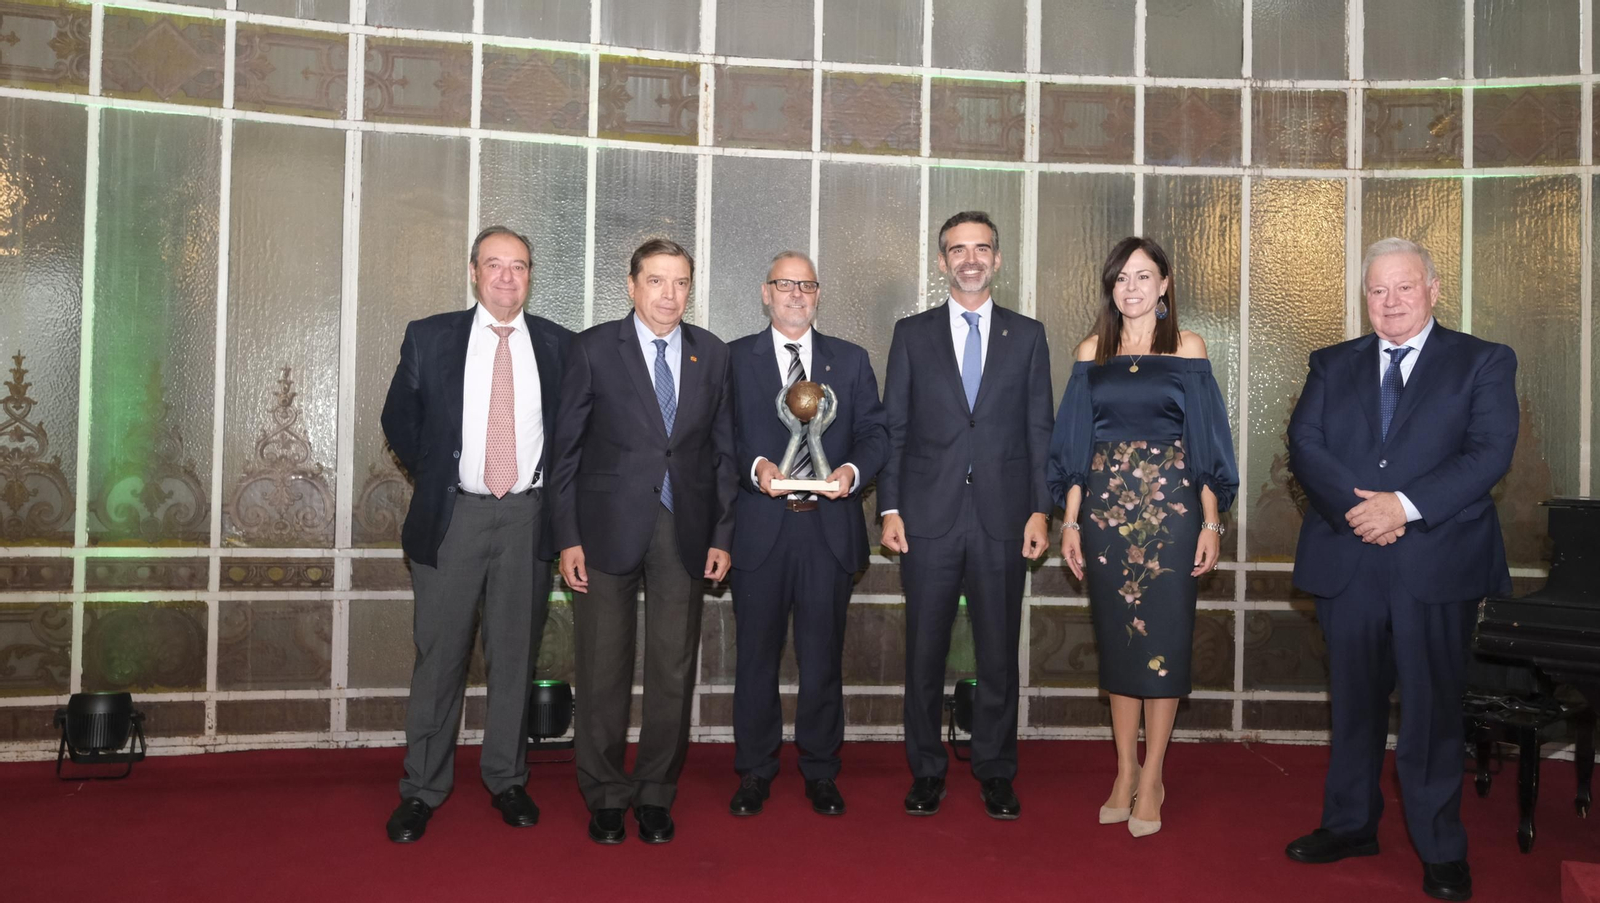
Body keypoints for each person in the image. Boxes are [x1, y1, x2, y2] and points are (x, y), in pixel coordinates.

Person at [1284, 238, 1517, 902]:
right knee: (1353, 704)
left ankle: (1441, 847)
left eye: (1404, 287)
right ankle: (1350, 824)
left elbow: (1489, 450)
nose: (1390, 302)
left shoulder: (1483, 360)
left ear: (1433, 290)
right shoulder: (1331, 363)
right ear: (1365, 297)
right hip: (1348, 556)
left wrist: (1404, 507)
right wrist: (1363, 512)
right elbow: (1305, 444)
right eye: (1377, 290)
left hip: (1437, 562)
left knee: (1432, 710)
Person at [379, 225, 573, 843]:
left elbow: (574, 435)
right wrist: (441, 473)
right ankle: (422, 788)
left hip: (527, 519)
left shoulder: (560, 345)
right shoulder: (430, 336)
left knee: (515, 656)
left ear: (530, 275)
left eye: (518, 266)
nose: (507, 277)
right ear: (473, 271)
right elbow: (398, 418)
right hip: (453, 519)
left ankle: (507, 779)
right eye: (495, 265)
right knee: (440, 658)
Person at [1047, 236, 1237, 839]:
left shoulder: (1188, 348)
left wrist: (1211, 522)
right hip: (1104, 516)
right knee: (1119, 640)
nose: (1131, 287)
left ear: (1164, 285)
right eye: (1121, 278)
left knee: (1166, 639)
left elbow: (1206, 439)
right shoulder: (1091, 352)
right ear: (1111, 288)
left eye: (1143, 276)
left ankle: (1153, 774)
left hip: (1172, 514)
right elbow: (1073, 444)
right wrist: (1069, 521)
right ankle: (1124, 769)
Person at [551, 237, 738, 845]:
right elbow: (565, 451)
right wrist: (567, 537)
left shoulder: (712, 353)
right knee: (602, 667)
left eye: (680, 282)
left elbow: (724, 453)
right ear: (631, 286)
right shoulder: (592, 348)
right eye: (656, 281)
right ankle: (606, 793)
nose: (668, 294)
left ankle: (656, 791)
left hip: (684, 530)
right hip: (604, 529)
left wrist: (722, 534)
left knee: (672, 669)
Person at [880, 210, 1053, 820]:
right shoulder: (911, 334)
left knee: (998, 654)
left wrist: (1041, 510)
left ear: (997, 259)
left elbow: (1040, 430)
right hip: (926, 518)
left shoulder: (1027, 336)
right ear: (942, 261)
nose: (970, 259)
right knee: (924, 653)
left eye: (982, 248)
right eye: (958, 249)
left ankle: (996, 770)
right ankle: (926, 770)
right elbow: (894, 428)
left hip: (1004, 518)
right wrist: (890, 506)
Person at [725, 251, 888, 817]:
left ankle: (820, 769)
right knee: (755, 659)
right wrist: (755, 468)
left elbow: (875, 434)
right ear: (765, 293)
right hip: (759, 531)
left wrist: (852, 473)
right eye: (785, 284)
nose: (796, 294)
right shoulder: (732, 359)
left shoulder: (851, 360)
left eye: (807, 285)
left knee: (822, 660)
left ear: (819, 294)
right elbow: (720, 435)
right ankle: (755, 770)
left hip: (827, 531)